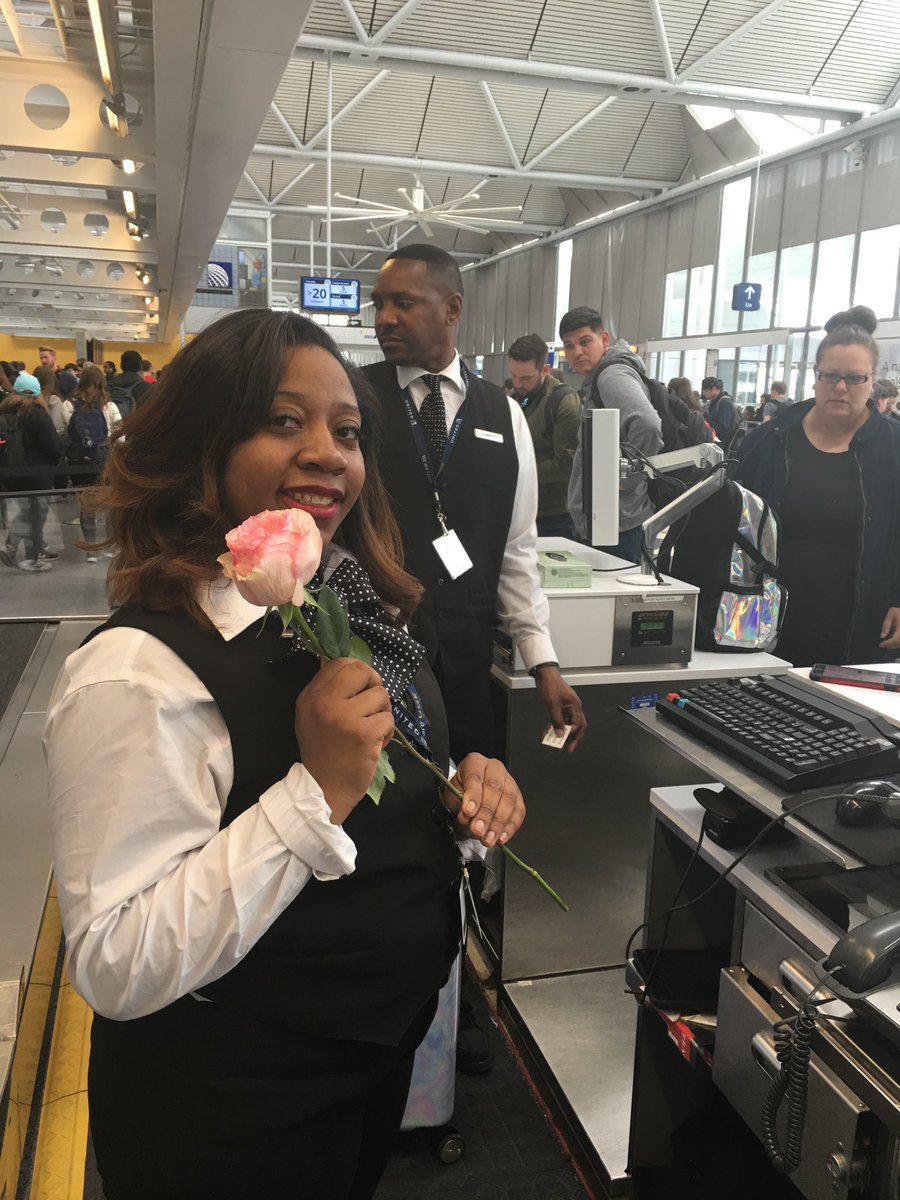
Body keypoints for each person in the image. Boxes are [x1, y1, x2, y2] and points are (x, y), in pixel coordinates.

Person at [43, 308, 525, 1200]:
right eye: (282, 421)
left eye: (347, 432)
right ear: (202, 442)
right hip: (228, 1112)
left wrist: (456, 801)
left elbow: (375, 794)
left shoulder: (349, 610)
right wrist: (315, 793)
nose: (327, 453)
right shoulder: (139, 672)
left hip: (362, 1066)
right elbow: (116, 960)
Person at [364, 243, 586, 761]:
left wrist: (543, 663)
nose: (384, 319)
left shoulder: (504, 414)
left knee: (470, 800)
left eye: (404, 303)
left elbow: (515, 551)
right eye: (378, 304)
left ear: (452, 309)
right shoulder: (357, 400)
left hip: (467, 656)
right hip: (374, 653)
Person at [734, 306, 900, 666]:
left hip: (864, 615)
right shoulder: (768, 441)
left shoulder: (894, 447)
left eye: (855, 378)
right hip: (767, 615)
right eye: (831, 376)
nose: (841, 387)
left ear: (873, 380)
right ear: (814, 376)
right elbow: (734, 528)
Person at [560, 305, 662, 564]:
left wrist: (624, 481)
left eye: (585, 342)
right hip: (612, 522)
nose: (577, 352)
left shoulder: (611, 375)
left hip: (617, 524)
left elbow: (647, 424)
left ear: (604, 339)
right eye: (569, 346)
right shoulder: (602, 377)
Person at [508, 332, 581, 539]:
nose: (518, 384)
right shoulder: (518, 398)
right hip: (519, 508)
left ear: (545, 370)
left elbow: (566, 464)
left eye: (526, 378)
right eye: (514, 376)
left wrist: (515, 474)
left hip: (553, 516)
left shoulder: (564, 403)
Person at [0, 372, 60, 571]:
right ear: (36, 393)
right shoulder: (37, 414)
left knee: (26, 512)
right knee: (35, 515)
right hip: (38, 472)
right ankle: (31, 558)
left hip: (12, 473)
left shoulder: (5, 414)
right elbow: (53, 446)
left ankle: (11, 547)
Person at [66, 364, 111, 563]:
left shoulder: (70, 404)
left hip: (79, 463)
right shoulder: (108, 405)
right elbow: (119, 436)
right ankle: (110, 545)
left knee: (86, 506)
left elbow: (64, 431)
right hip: (103, 462)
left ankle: (91, 549)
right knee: (111, 504)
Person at [109, 349, 153, 416]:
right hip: (136, 423)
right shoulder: (147, 388)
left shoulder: (108, 385)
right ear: (140, 366)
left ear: (121, 365)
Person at [701, 376, 738, 449]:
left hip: (722, 443)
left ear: (714, 389)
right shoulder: (714, 402)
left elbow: (723, 426)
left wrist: (708, 431)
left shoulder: (725, 403)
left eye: (705, 390)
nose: (704, 393)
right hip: (714, 440)